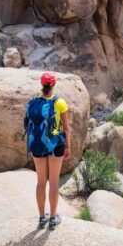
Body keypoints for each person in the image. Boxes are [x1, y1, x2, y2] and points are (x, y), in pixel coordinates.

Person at [24, 72, 71, 231]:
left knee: (41, 182)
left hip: (37, 144)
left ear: (42, 84)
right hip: (56, 142)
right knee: (54, 182)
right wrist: (68, 146)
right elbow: (65, 128)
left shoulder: (33, 102)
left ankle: (41, 217)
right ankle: (52, 218)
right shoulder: (60, 102)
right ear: (54, 84)